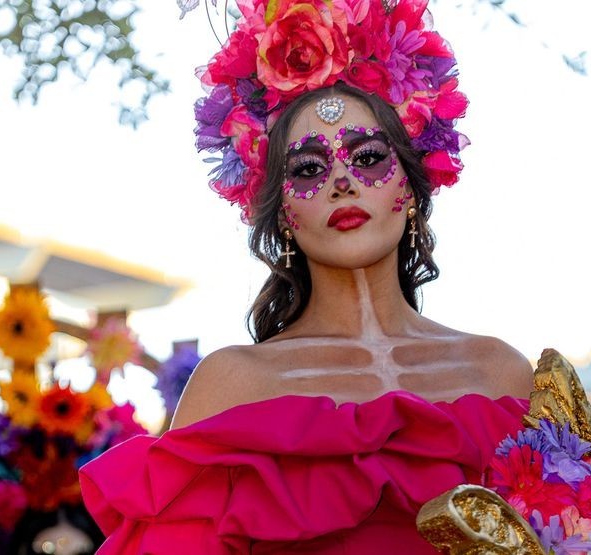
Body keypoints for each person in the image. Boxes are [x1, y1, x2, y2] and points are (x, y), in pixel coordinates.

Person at [79, 0, 535, 551]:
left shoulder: (500, 373)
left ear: (411, 188)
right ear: (282, 216)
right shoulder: (234, 384)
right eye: (309, 169)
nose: (342, 180)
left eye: (368, 158)